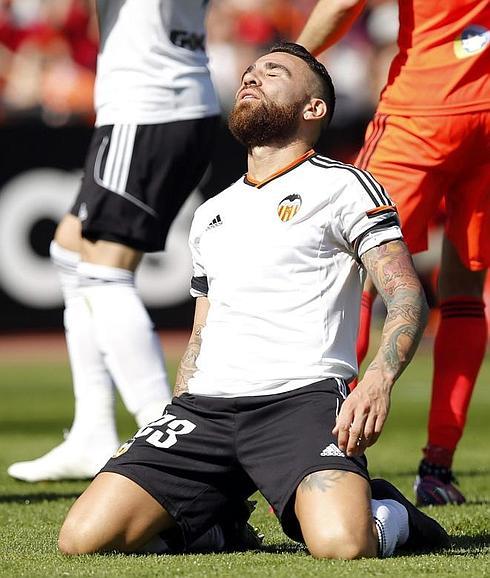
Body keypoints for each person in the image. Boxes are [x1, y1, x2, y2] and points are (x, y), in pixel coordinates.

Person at [57, 43, 448, 560]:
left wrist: (377, 378)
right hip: (204, 412)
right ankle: (216, 527)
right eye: (249, 72)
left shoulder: (345, 186)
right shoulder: (213, 212)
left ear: (314, 109)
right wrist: (174, 409)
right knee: (82, 540)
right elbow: (203, 328)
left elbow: (404, 292)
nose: (252, 77)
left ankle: (389, 514)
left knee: (341, 545)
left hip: (301, 401)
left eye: (274, 71)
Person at [8, 0, 221, 482]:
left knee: (104, 268)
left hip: (149, 105)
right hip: (164, 101)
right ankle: (93, 430)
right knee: (70, 248)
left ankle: (165, 436)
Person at [297, 0, 490, 505]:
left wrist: (292, 55)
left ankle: (321, 446)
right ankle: (437, 470)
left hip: (421, 110)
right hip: (487, 116)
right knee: (466, 290)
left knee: (352, 273)